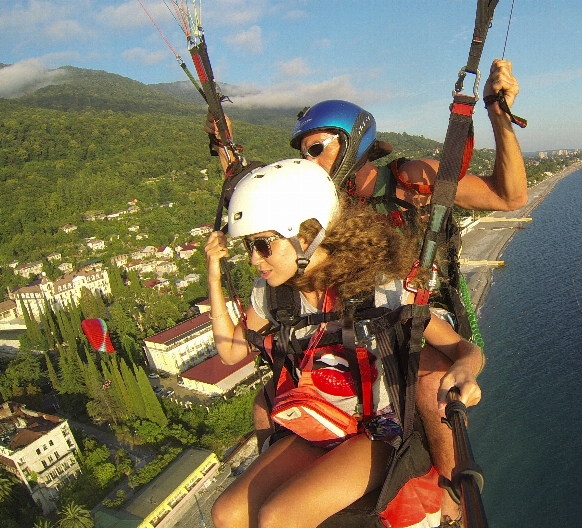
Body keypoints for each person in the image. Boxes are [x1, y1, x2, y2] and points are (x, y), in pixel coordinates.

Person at [208, 58, 524, 524]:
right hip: (352, 313)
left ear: (352, 143)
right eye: (302, 153)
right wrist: (225, 152)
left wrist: (499, 119)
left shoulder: (407, 179)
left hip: (412, 308)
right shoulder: (321, 207)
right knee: (265, 401)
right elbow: (268, 216)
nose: (307, 161)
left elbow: (508, 197)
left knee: (429, 383)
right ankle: (295, 477)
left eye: (316, 148)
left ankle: (451, 497)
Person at [206, 159, 484, 528]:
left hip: (377, 432)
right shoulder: (274, 295)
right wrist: (213, 275)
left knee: (278, 518)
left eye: (263, 245)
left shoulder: (378, 288)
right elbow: (230, 351)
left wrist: (465, 370)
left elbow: (463, 350)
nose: (255, 260)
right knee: (225, 514)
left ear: (307, 235)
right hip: (316, 423)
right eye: (249, 247)